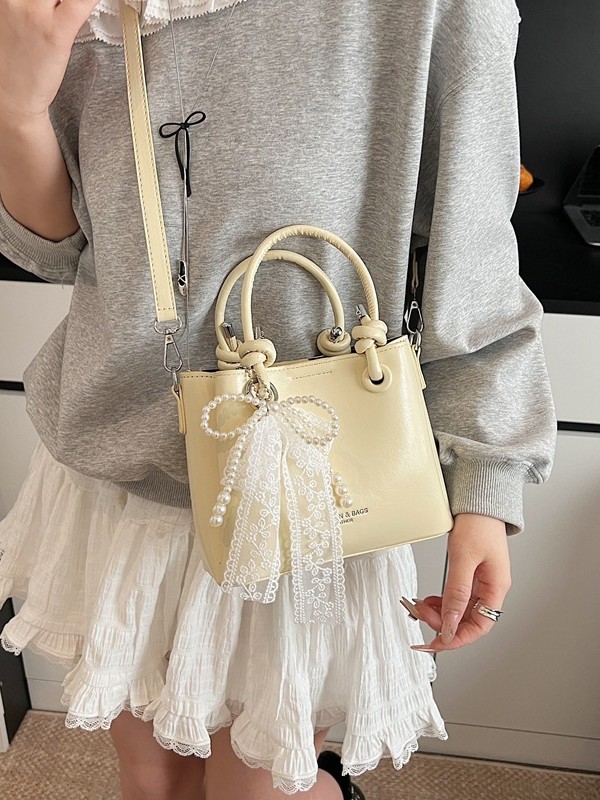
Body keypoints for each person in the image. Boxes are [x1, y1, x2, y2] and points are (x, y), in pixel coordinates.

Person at [0, 0, 557, 798]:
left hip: (306, 486)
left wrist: (487, 480)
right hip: (117, 474)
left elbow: (472, 262)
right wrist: (16, 108)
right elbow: (58, 250)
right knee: (152, 781)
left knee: (257, 787)